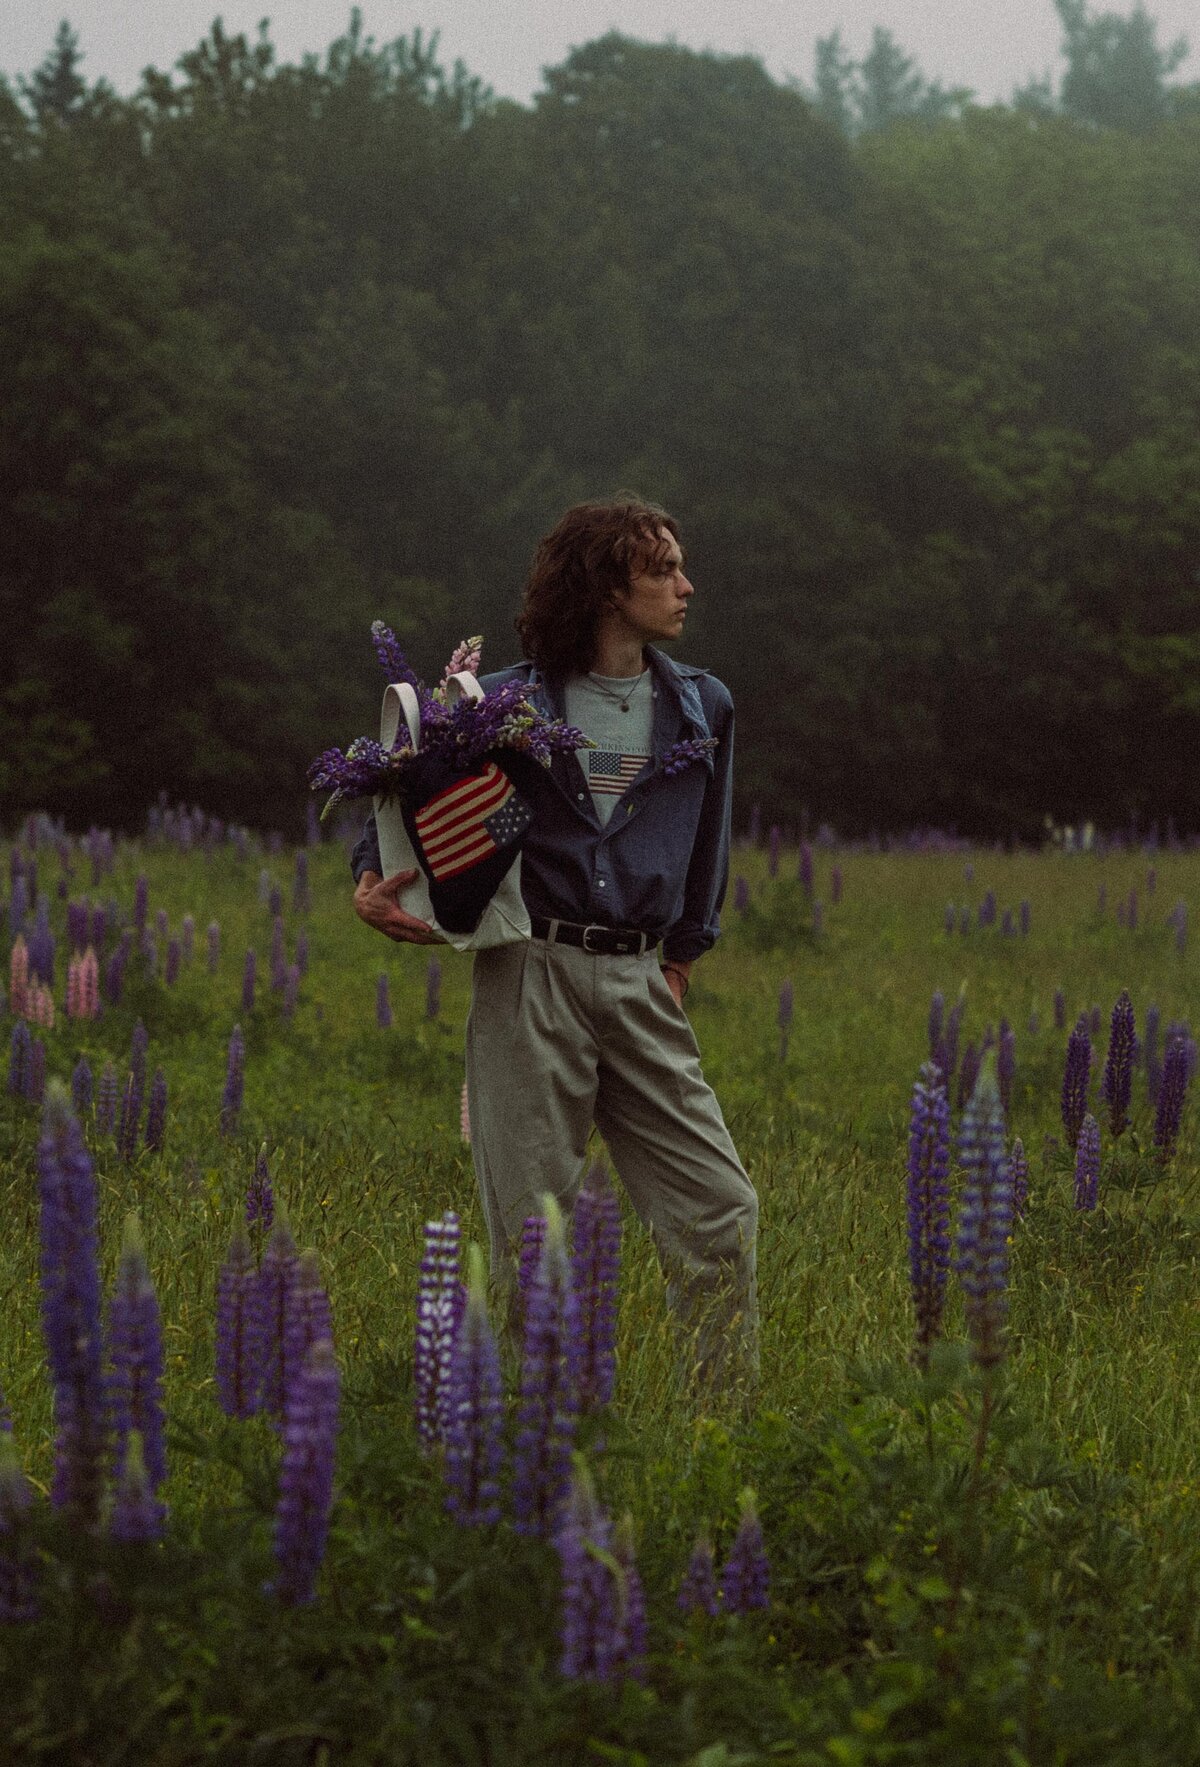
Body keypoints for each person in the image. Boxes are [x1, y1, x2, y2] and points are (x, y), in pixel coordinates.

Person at [351, 496, 758, 1394]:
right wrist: (372, 890)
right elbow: (402, 801)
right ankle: (541, 1439)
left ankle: (724, 1423)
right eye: (663, 570)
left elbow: (709, 844)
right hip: (528, 970)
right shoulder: (503, 702)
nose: (686, 585)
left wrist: (683, 955)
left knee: (720, 1208)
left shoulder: (703, 705)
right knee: (537, 1234)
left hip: (643, 976)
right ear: (609, 587)